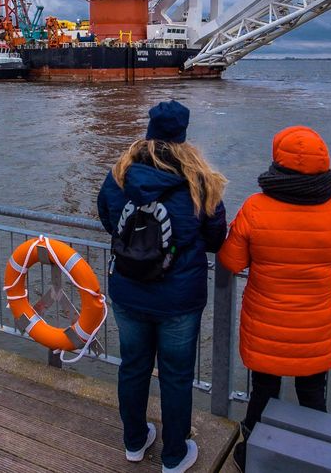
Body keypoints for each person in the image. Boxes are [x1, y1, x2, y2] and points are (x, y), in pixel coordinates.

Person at [217, 126, 331, 471]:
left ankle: (249, 457)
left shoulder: (256, 208)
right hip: (315, 331)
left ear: (277, 162)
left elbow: (231, 261)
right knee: (313, 398)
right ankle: (313, 461)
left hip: (266, 329)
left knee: (263, 395)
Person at [97, 100, 228, 473]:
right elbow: (216, 238)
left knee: (133, 366)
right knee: (176, 375)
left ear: (149, 131)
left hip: (128, 290)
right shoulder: (201, 181)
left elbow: (109, 219)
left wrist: (140, 248)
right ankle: (174, 456)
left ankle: (134, 442)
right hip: (179, 299)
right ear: (183, 136)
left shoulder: (120, 174)